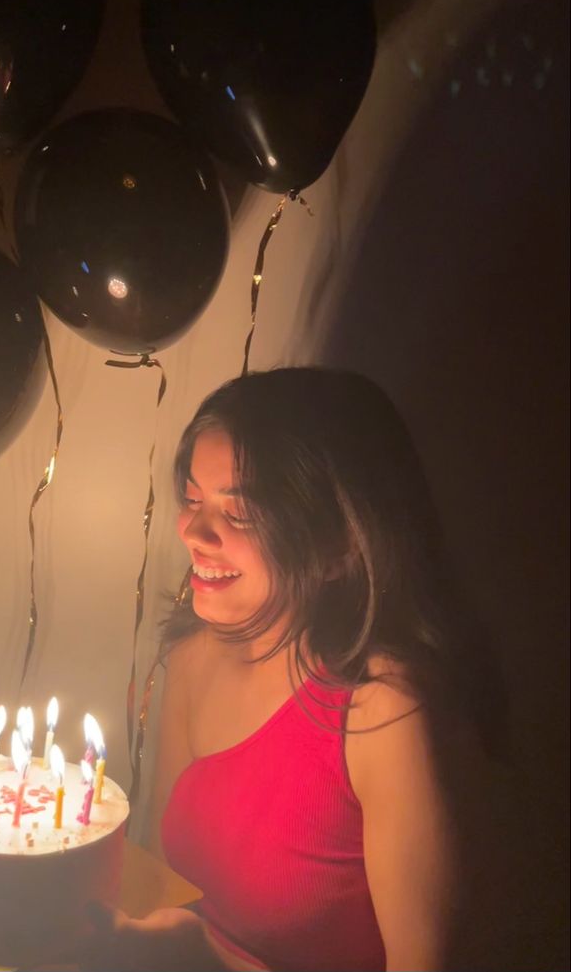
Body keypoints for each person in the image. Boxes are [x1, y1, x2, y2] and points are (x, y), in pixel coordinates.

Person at [75, 367, 498, 972]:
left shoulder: (383, 709)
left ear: (340, 546)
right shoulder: (196, 653)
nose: (194, 532)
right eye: (192, 499)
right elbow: (163, 890)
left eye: (239, 514)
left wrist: (210, 964)